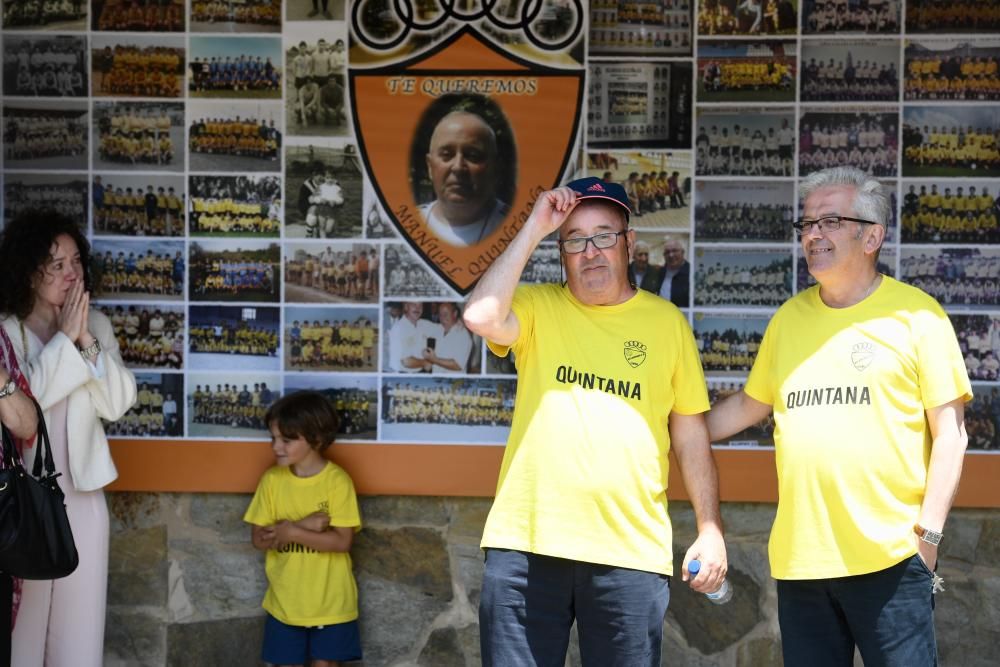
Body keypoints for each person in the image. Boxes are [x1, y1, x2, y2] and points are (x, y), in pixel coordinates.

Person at [706, 167, 972, 666]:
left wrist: (928, 539)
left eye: (829, 221)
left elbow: (951, 436)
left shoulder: (919, 316)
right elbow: (748, 405)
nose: (813, 235)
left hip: (891, 559)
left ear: (872, 236)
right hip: (803, 562)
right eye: (806, 225)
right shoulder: (789, 318)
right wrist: (672, 432)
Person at [463, 177, 727, 665]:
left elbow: (689, 432)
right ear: (560, 251)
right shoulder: (538, 307)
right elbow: (480, 316)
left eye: (604, 235)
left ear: (629, 244)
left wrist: (709, 527)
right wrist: (534, 228)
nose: (591, 251)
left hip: (628, 549)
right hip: (526, 546)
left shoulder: (667, 323)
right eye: (575, 239)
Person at [0, 210, 137, 667]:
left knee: (80, 634)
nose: (71, 273)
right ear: (28, 269)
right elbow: (26, 407)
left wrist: (84, 342)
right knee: (24, 633)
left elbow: (116, 402)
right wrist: (63, 342)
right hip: (24, 499)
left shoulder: (93, 326)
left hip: (80, 495)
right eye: (56, 264)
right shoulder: (6, 331)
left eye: (75, 261)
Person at [243, 390, 362, 667]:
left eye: (286, 440)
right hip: (285, 602)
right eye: (273, 439)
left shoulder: (337, 482)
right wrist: (302, 525)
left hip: (331, 603)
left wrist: (291, 534)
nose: (276, 447)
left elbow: (342, 542)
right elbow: (259, 539)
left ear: (315, 439)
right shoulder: (272, 480)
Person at [418, 110, 508, 247]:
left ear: (495, 168)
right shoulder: (404, 226)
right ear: (430, 166)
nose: (458, 167)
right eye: (447, 155)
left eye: (472, 155)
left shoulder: (519, 228)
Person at [422, 301, 473, 374]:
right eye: (440, 315)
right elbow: (420, 323)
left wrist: (434, 360)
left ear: (455, 314)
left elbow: (458, 365)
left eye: (445, 314)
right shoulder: (437, 329)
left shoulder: (463, 335)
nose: (442, 318)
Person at [386, 301, 437, 372]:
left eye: (420, 305)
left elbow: (442, 328)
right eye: (414, 304)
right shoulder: (398, 328)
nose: (417, 308)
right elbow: (406, 361)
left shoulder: (423, 323)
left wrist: (456, 323)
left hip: (420, 371)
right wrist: (425, 363)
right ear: (406, 307)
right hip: (403, 374)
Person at [640, 236, 690, 308]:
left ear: (682, 252)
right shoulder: (660, 272)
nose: (671, 255)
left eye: (674, 250)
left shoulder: (690, 273)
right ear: (664, 256)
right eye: (667, 252)